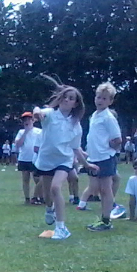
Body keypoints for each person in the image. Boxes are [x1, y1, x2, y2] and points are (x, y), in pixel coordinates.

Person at [33, 79, 94, 240]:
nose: (67, 99)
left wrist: (86, 164)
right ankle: (49, 208)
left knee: (55, 188)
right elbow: (39, 110)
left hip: (64, 161)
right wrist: (37, 112)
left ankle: (61, 228)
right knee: (47, 195)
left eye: (71, 98)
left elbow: (76, 148)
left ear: (75, 104)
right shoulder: (50, 115)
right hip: (46, 160)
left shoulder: (76, 125)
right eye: (65, 96)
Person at [81, 82, 125, 232]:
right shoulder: (94, 115)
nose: (100, 100)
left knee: (106, 189)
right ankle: (103, 217)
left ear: (110, 101)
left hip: (105, 157)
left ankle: (106, 221)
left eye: (104, 98)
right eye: (98, 97)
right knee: (98, 188)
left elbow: (117, 139)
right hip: (94, 157)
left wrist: (107, 148)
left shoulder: (108, 117)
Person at [15, 112, 43, 204]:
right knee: (25, 179)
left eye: (28, 119)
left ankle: (40, 197)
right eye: (25, 120)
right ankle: (27, 198)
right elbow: (18, 144)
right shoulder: (21, 132)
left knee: (38, 179)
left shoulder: (39, 131)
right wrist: (25, 132)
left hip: (35, 158)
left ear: (33, 120)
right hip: (23, 158)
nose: (27, 121)